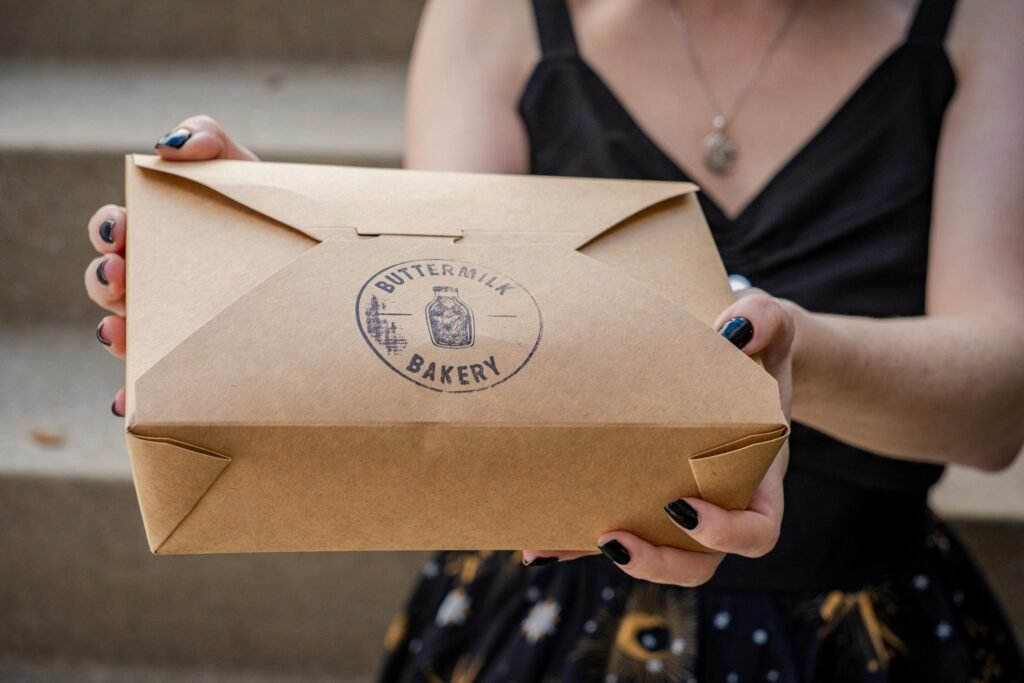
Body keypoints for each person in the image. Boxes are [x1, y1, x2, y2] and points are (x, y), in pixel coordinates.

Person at [84, 0, 1023, 680]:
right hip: (545, 601)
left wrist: (795, 358)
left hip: (864, 623)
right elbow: (444, 335)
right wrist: (309, 274)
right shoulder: (493, 15)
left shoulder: (983, 21)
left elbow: (997, 410)